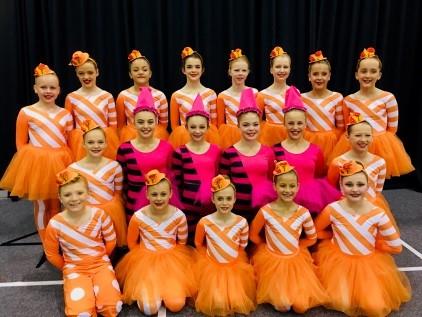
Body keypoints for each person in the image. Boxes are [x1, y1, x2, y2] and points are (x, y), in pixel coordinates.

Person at [313, 160, 411, 317]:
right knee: (341, 302)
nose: (355, 189)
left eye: (360, 184)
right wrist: (334, 236)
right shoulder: (333, 209)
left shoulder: (378, 213)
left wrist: (378, 246)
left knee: (375, 308)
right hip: (338, 262)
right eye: (349, 184)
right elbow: (316, 231)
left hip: (368, 264)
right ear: (341, 186)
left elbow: (396, 247)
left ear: (367, 186)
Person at [0, 63, 73, 247]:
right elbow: (20, 143)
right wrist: (29, 164)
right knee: (41, 205)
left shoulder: (65, 114)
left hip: (60, 160)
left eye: (52, 87)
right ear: (35, 88)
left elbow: (68, 140)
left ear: (59, 90)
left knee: (57, 204)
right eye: (43, 87)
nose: (48, 91)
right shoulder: (27, 112)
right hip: (37, 163)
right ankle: (45, 240)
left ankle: (56, 237)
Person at [249, 160, 327, 313]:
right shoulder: (266, 211)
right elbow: (253, 235)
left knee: (301, 307)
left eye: (292, 186)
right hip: (272, 260)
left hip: (295, 260)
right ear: (274, 187)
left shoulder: (303, 212)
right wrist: (265, 246)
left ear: (298, 187)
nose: (287, 190)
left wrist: (298, 247)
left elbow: (311, 238)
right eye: (282, 185)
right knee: (283, 305)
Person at [115, 170, 196, 315]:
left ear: (170, 194)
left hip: (172, 261)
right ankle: (153, 290)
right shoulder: (138, 217)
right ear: (147, 194)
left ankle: (167, 289)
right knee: (149, 309)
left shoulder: (179, 216)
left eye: (163, 194)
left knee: (176, 305)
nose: (159, 198)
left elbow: (182, 242)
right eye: (154, 194)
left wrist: (168, 256)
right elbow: (132, 242)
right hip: (146, 261)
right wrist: (141, 260)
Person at [44, 169, 122, 317]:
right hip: (74, 269)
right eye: (67, 194)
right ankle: (82, 293)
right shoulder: (55, 224)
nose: (74, 199)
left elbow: (111, 240)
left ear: (87, 194)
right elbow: (52, 253)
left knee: (112, 307)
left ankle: (100, 289)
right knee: (81, 313)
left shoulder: (99, 215)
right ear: (60, 197)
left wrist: (101, 258)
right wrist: (68, 268)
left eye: (79, 193)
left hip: (100, 264)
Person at [329, 47, 414, 177]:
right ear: (357, 74)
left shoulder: (388, 98)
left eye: (373, 71)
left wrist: (380, 143)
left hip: (381, 145)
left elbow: (392, 129)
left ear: (379, 75)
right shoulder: (348, 100)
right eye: (363, 71)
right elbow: (347, 127)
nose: (368, 75)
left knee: (375, 177)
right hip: (355, 144)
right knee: (355, 176)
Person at [194, 175, 256, 316]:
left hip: (233, 266)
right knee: (218, 305)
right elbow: (198, 243)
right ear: (213, 199)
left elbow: (242, 245)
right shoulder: (204, 222)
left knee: (235, 302)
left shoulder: (241, 222)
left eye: (228, 198)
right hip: (212, 267)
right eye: (220, 198)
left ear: (234, 199)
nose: (224, 203)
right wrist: (208, 259)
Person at [273, 86, 340, 214]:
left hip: (311, 201)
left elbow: (320, 174)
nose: (295, 127)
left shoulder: (315, 150)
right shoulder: (276, 150)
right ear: (284, 124)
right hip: (284, 199)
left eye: (299, 123)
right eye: (291, 123)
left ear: (305, 124)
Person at [117, 87, 181, 220]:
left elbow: (173, 179)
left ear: (156, 122)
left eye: (150, 122)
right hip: (134, 207)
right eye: (140, 122)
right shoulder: (124, 149)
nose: (145, 126)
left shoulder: (167, 147)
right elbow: (122, 183)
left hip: (162, 205)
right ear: (134, 122)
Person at [328, 112, 398, 230]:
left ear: (372, 137)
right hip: (346, 208)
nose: (363, 139)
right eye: (358, 135)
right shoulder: (338, 162)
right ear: (347, 137)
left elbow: (377, 191)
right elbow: (331, 188)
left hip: (370, 207)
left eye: (367, 135)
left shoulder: (380, 162)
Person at [220, 88, 276, 223]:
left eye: (255, 124)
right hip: (236, 214)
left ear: (260, 125)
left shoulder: (268, 152)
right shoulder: (228, 154)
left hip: (263, 213)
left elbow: (272, 182)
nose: (251, 128)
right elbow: (224, 186)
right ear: (238, 125)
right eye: (246, 125)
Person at [68, 120, 127, 247]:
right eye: (90, 142)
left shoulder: (114, 166)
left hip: (110, 212)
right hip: (85, 213)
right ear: (83, 144)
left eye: (100, 142)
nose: (96, 146)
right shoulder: (73, 169)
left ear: (106, 144)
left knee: (110, 244)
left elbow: (117, 194)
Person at [172, 94, 221, 240]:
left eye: (201, 127)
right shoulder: (179, 152)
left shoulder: (216, 150)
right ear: (186, 127)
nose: (197, 131)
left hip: (212, 205)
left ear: (208, 127)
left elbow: (220, 176)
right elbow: (177, 182)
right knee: (192, 240)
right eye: (193, 127)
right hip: (188, 206)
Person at [66, 50, 119, 160]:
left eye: (90, 72)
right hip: (81, 144)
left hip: (103, 141)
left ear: (97, 72)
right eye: (81, 73)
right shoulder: (71, 98)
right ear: (76, 74)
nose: (86, 76)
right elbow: (69, 130)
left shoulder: (107, 96)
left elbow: (113, 127)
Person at [168, 47, 220, 148]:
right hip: (184, 140)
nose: (193, 70)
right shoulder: (176, 96)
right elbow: (174, 127)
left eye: (197, 67)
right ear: (183, 70)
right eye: (189, 67)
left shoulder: (211, 94)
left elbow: (214, 124)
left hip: (207, 138)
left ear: (202, 70)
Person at [116, 49, 168, 143]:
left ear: (150, 74)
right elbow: (121, 126)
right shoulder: (123, 96)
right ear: (130, 74)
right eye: (136, 70)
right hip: (130, 139)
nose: (140, 72)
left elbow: (163, 125)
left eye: (144, 69)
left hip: (154, 138)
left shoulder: (160, 96)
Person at [301, 50, 344, 163]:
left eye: (324, 74)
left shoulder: (337, 97)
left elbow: (341, 127)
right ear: (309, 77)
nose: (319, 77)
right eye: (315, 74)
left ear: (329, 76)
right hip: (308, 141)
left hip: (331, 144)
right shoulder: (301, 98)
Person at [217, 48, 257, 149]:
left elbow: (258, 120)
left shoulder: (255, 93)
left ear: (248, 72)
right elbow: (220, 124)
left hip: (251, 134)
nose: (240, 73)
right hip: (230, 138)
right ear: (230, 72)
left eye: (244, 70)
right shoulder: (223, 96)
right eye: (236, 70)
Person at [256, 46, 291, 146]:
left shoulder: (294, 91)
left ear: (290, 69)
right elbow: (256, 121)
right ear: (271, 70)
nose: (282, 70)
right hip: (270, 137)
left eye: (285, 67)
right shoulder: (262, 94)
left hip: (291, 135)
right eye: (278, 67)